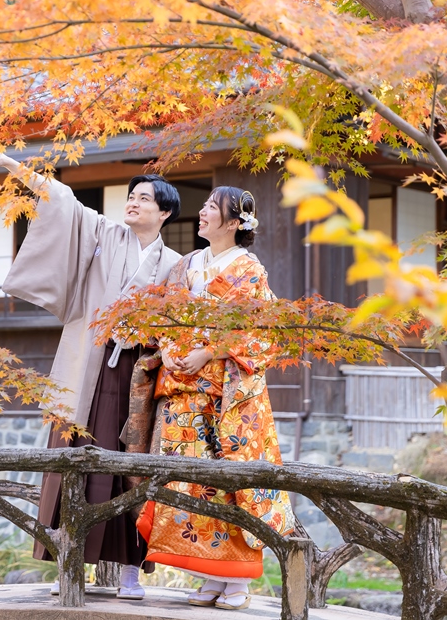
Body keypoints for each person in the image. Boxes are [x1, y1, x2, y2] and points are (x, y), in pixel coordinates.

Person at [0, 151, 182, 599]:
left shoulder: (174, 263)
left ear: (165, 211)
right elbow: (62, 198)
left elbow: (177, 324)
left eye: (144, 198)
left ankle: (130, 573)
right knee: (75, 456)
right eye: (130, 196)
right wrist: (7, 163)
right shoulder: (106, 234)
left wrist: (148, 332)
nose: (132, 203)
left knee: (129, 466)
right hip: (88, 365)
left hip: (137, 375)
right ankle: (69, 564)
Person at [135, 186, 295, 611]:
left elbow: (262, 329)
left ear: (233, 223)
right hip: (186, 389)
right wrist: (169, 349)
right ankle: (208, 575)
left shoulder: (248, 270)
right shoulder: (188, 265)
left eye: (211, 208)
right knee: (191, 482)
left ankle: (237, 582)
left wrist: (208, 350)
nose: (202, 212)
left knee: (228, 484)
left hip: (226, 395)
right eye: (204, 205)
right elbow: (166, 315)